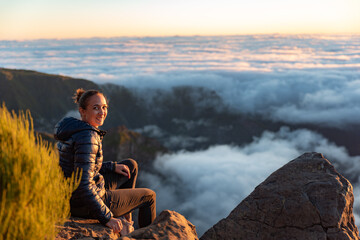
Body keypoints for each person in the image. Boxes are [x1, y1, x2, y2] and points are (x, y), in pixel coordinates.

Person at [54, 88, 156, 234]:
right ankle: (144, 236)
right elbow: (83, 184)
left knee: (130, 166)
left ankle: (127, 219)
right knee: (149, 196)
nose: (102, 112)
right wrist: (107, 218)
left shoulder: (74, 130)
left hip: (75, 196)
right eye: (96, 108)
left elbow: (80, 168)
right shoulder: (88, 137)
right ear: (82, 111)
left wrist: (111, 167)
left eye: (104, 107)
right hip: (84, 203)